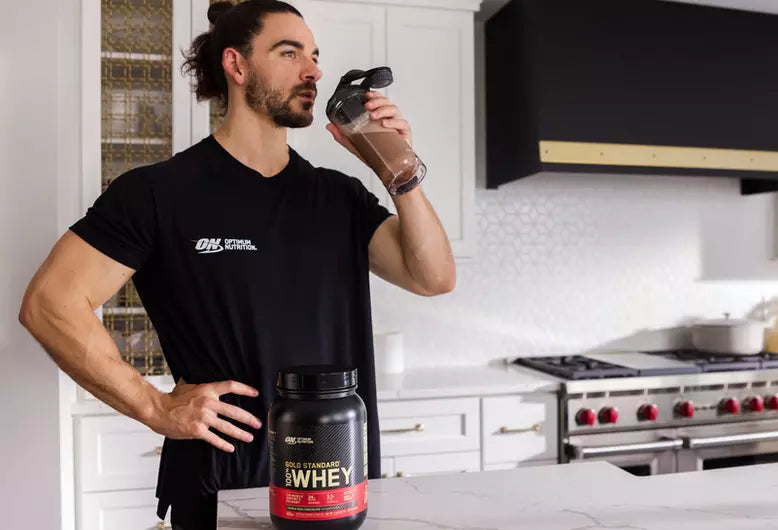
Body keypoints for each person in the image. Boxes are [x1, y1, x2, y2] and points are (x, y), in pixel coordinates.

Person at [17, 0, 455, 527]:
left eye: (315, 55)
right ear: (237, 65)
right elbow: (49, 303)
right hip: (224, 494)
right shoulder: (157, 194)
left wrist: (397, 166)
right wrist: (154, 406)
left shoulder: (340, 198)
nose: (313, 70)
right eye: (289, 52)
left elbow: (433, 277)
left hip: (341, 488)